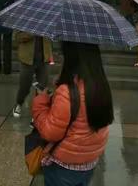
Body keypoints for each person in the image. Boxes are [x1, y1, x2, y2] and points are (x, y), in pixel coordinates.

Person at [32, 42, 112, 185]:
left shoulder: (67, 91)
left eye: (64, 54)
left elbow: (50, 133)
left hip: (64, 165)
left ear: (72, 57)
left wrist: (40, 102)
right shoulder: (101, 84)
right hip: (89, 161)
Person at [12, 32, 52, 118]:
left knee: (42, 87)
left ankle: (38, 113)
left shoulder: (46, 22)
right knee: (24, 86)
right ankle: (19, 103)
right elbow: (18, 37)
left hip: (43, 60)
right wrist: (32, 33)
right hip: (27, 60)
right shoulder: (25, 20)